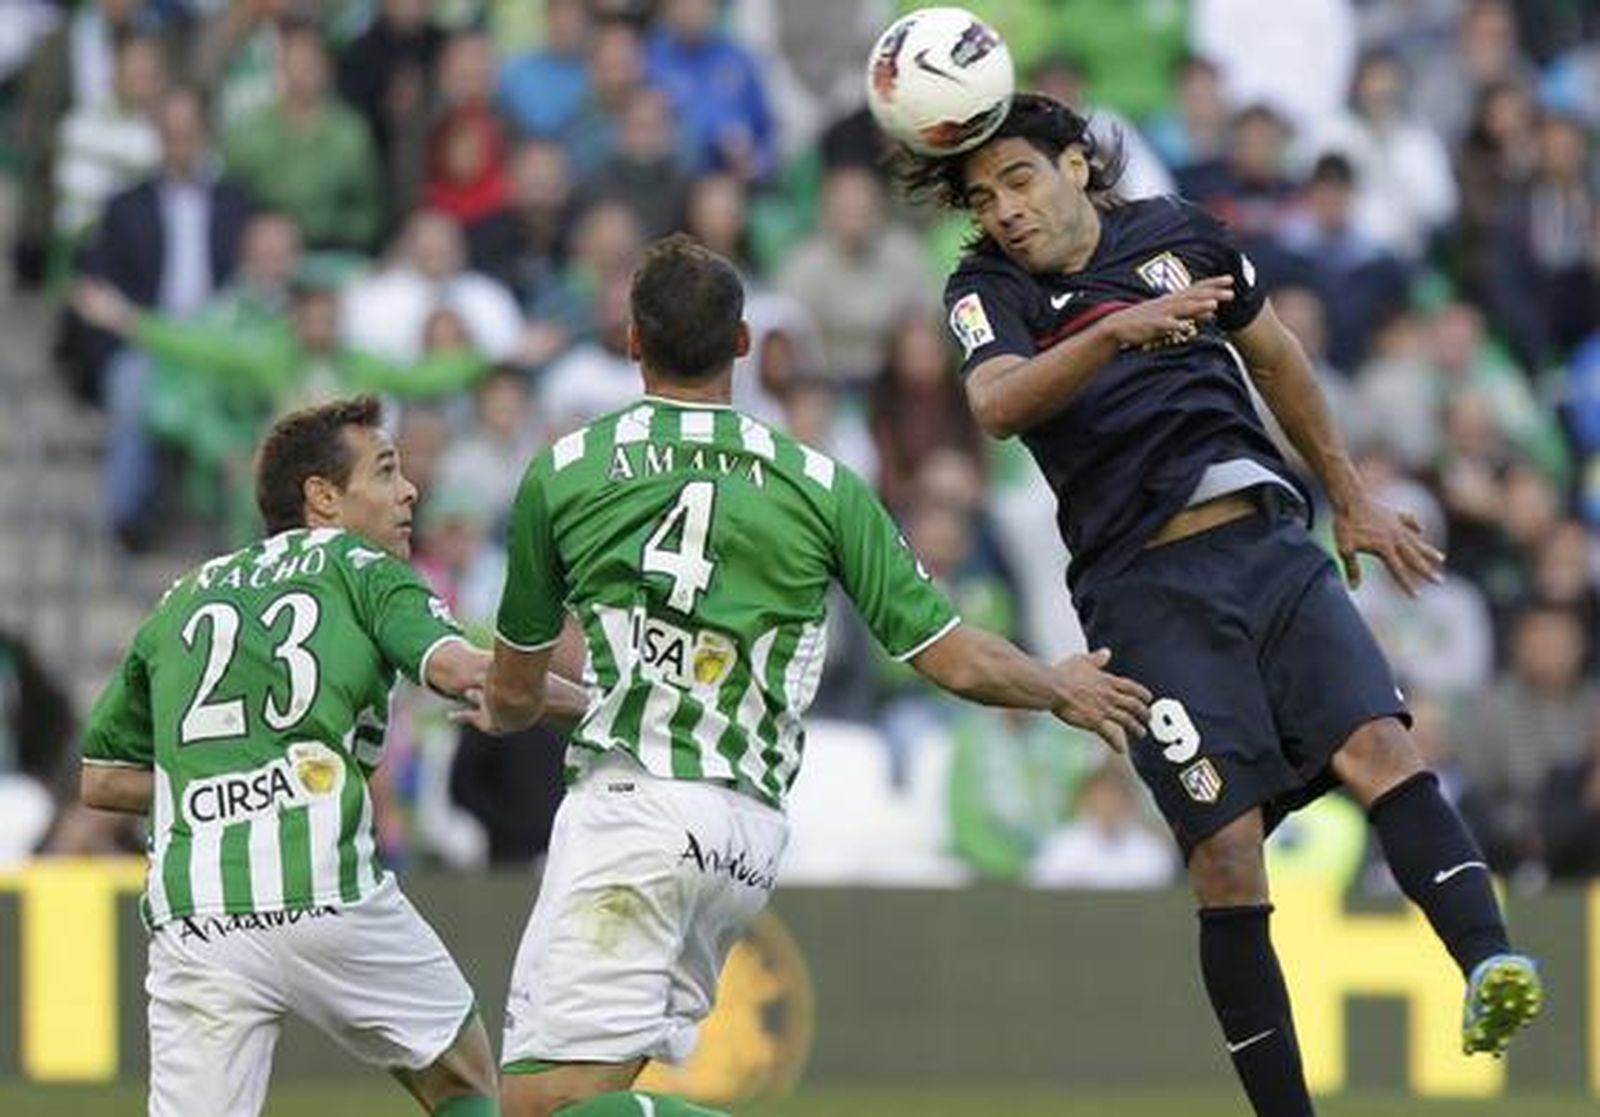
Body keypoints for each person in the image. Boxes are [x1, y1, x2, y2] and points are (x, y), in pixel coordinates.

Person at [899, 93, 1542, 1115]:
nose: (1005, 210)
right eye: (984, 198)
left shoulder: (1181, 232)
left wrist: (1350, 495)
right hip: (1142, 590)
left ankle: (1490, 962)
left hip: (1267, 543)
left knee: (1382, 747)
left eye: (1018, 180)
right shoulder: (985, 287)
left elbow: (1276, 355)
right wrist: (1119, 333)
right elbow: (995, 404)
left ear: (1076, 165)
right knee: (1226, 855)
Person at [478, 234, 1152, 1117]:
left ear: (632, 341)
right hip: (745, 838)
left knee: (536, 1106)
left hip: (635, 811)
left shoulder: (565, 472)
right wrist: (1057, 684)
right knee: (595, 1096)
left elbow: (516, 685)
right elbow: (948, 651)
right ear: (746, 343)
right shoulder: (820, 481)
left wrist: (500, 701)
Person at [78, 395, 583, 1117]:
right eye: (385, 471)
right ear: (322, 497)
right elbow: (466, 671)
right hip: (324, 886)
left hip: (198, 912)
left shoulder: (181, 598)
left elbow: (101, 778)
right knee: (470, 1085)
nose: (409, 490)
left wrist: (225, 785)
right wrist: (605, 708)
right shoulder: (360, 565)